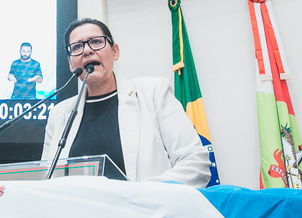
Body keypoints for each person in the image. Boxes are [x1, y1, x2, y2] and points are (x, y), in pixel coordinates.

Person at [42, 18, 211, 188]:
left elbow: (195, 163)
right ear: (71, 63)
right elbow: (44, 180)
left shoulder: (153, 93)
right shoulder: (58, 115)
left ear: (115, 51)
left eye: (95, 42)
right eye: (77, 47)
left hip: (145, 211)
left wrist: (136, 195)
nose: (86, 50)